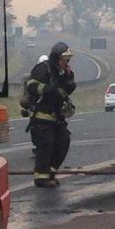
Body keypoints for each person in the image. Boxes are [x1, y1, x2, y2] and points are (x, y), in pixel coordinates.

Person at [25, 42, 76, 188]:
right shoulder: (44, 69)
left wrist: (69, 76)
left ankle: (51, 173)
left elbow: (69, 88)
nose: (66, 62)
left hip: (57, 117)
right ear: (56, 57)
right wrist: (49, 89)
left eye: (67, 60)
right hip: (42, 116)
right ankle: (41, 178)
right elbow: (31, 85)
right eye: (64, 59)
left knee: (63, 142)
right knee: (46, 146)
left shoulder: (62, 72)